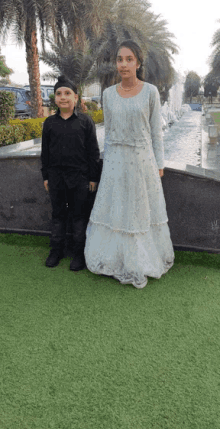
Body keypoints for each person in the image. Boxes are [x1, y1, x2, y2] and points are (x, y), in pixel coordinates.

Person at [84, 39, 175, 288]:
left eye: (129, 59)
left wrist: (160, 164)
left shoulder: (151, 92)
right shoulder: (108, 94)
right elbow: (110, 133)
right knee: (117, 209)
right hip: (115, 163)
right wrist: (107, 164)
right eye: (119, 59)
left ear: (138, 62)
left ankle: (140, 261)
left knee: (139, 212)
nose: (123, 64)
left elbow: (156, 133)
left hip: (143, 162)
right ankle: (115, 259)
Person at [41, 75, 100, 271]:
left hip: (80, 178)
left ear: (76, 98)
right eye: (59, 94)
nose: (63, 97)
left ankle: (78, 254)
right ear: (54, 98)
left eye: (68, 93)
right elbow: (45, 153)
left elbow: (93, 152)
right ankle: (56, 251)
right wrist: (46, 176)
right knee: (58, 215)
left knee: (78, 216)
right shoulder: (49, 123)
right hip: (56, 178)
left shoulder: (85, 122)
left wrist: (93, 177)